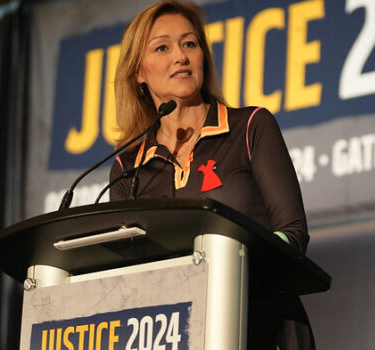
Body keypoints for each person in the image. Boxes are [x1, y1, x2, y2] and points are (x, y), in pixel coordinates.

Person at [109, 1, 315, 349]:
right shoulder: (127, 166)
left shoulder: (250, 127)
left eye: (190, 43)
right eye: (163, 47)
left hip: (262, 327)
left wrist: (230, 263)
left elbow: (292, 235)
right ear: (138, 73)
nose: (181, 56)